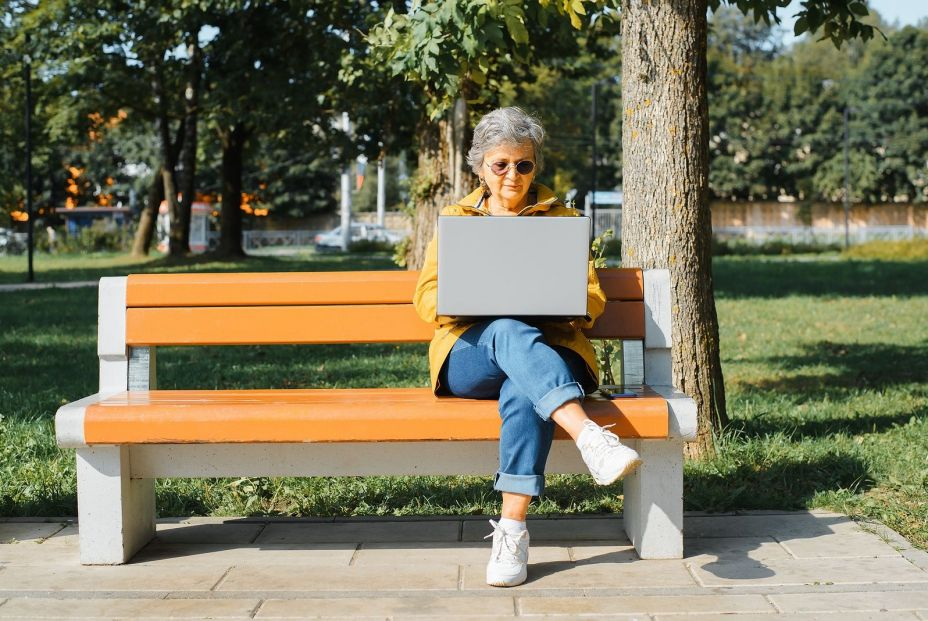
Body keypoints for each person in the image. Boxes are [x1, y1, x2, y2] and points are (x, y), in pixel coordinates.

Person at [412, 107, 642, 588]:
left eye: (524, 164)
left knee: (524, 387)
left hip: (548, 351)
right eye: (500, 164)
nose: (512, 174)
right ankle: (587, 435)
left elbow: (593, 297)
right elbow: (426, 296)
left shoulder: (563, 219)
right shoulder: (457, 219)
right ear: (480, 167)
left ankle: (512, 531)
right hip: (472, 353)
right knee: (506, 329)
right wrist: (469, 304)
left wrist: (564, 307)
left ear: (535, 166)